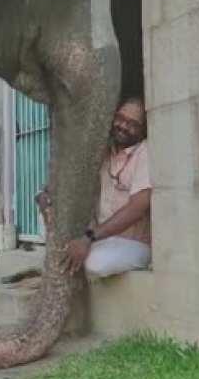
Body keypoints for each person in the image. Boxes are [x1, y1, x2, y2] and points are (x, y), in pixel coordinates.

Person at [65, 96, 152, 278]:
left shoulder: (145, 151)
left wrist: (88, 237)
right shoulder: (105, 151)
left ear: (143, 130)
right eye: (120, 118)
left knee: (94, 263)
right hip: (102, 239)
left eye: (132, 123)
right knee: (67, 250)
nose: (123, 126)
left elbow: (137, 208)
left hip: (133, 244)